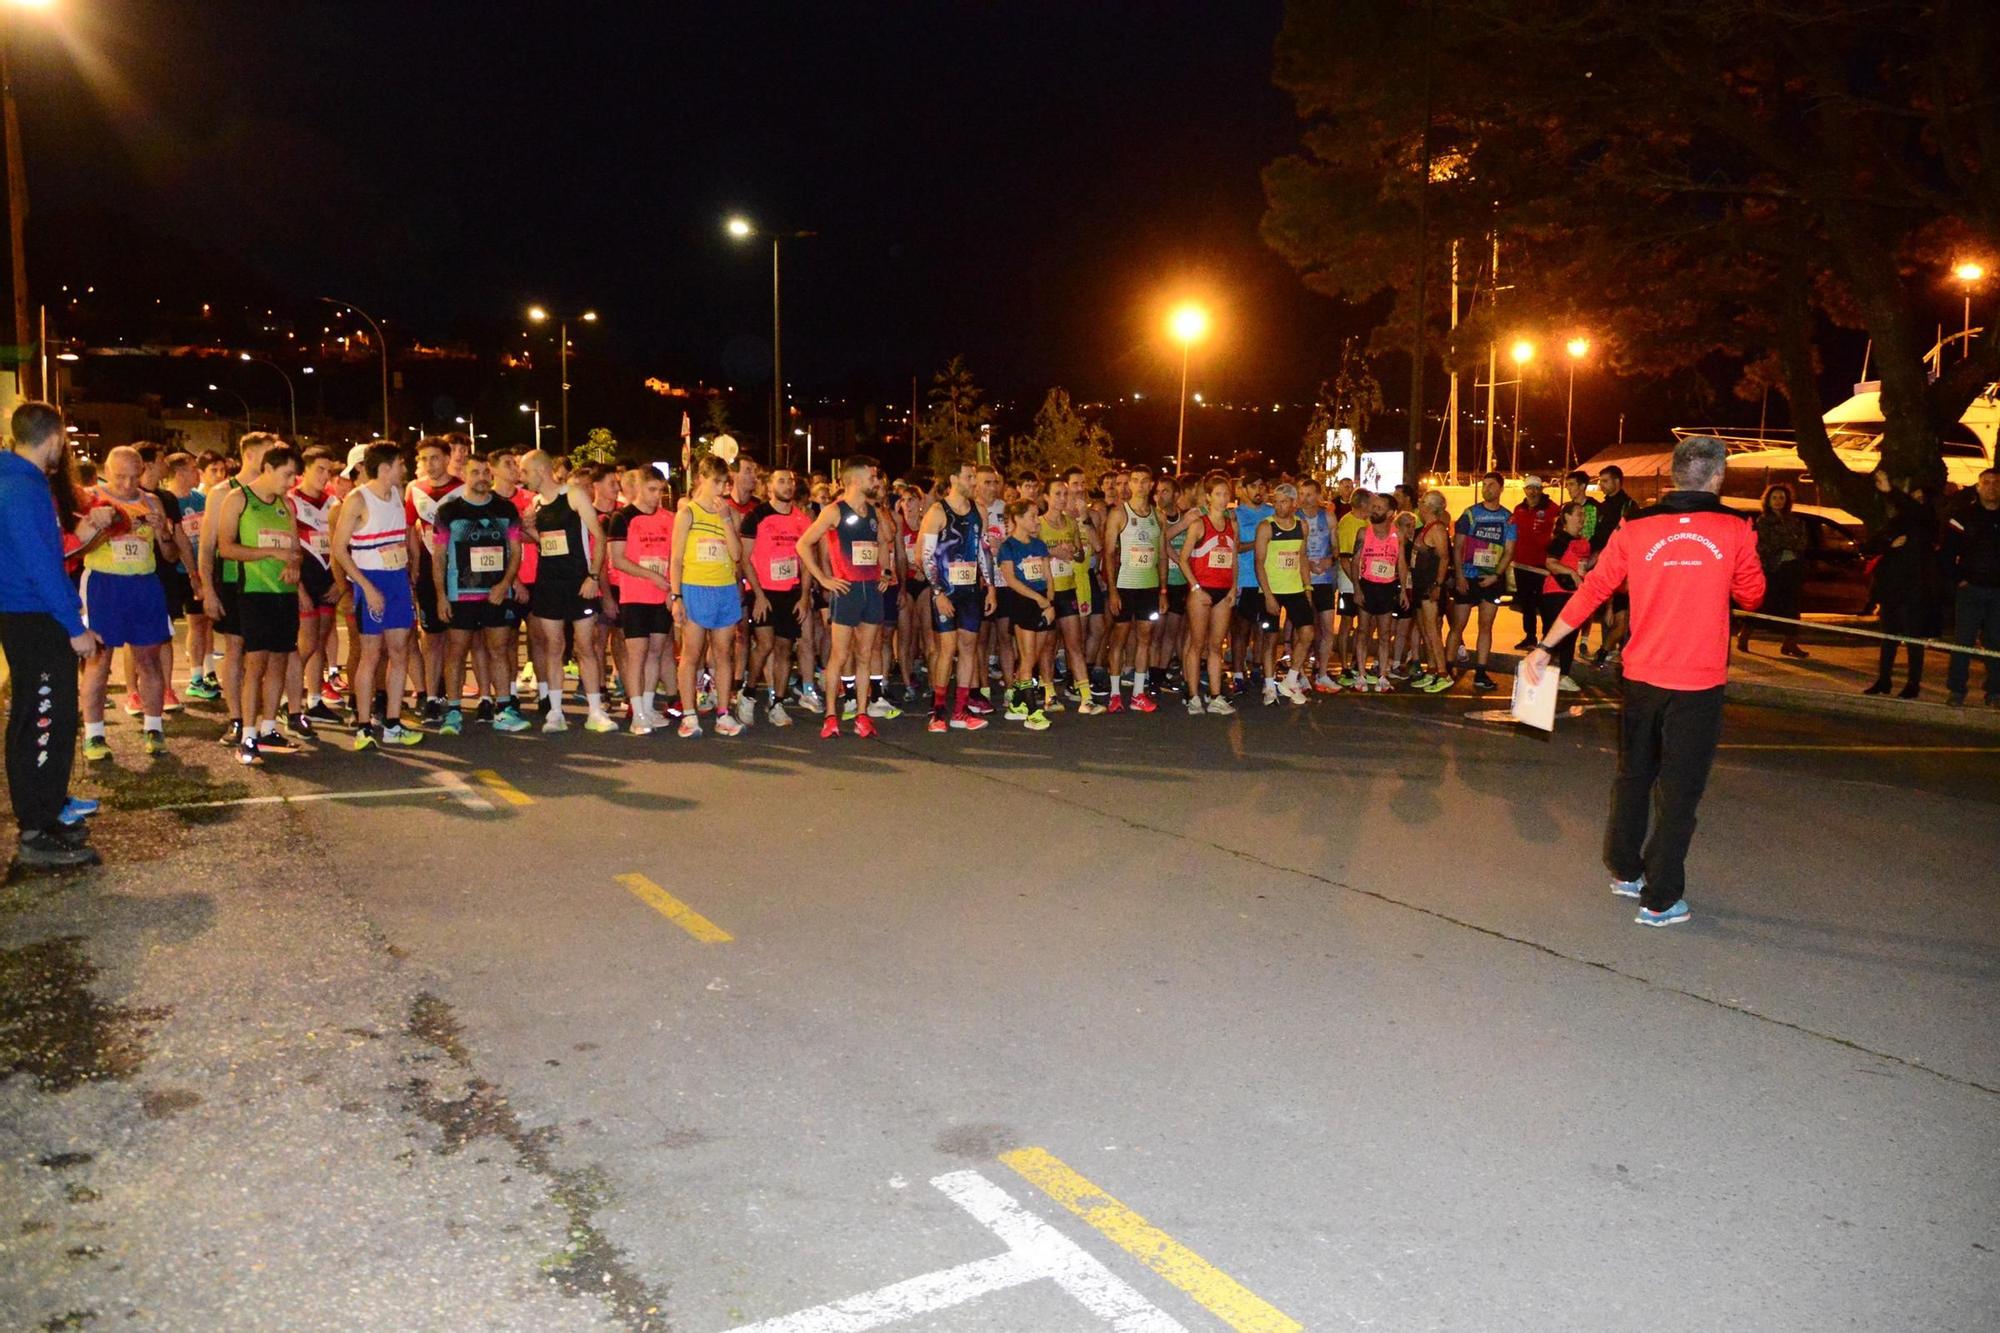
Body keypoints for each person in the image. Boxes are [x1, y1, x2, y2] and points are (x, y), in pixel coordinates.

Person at [1521, 435, 1765, 928]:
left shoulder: (1635, 526)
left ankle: (1626, 869)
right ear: (1717, 477)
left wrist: (1547, 646)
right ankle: (1660, 898)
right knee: (1680, 791)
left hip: (1642, 676)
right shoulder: (1736, 528)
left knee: (1635, 775)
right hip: (1696, 682)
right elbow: (1753, 595)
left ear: (1675, 475)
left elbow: (1593, 589)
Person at [0, 402, 103, 867]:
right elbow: (41, 563)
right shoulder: (21, 485)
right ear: (55, 438)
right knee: (41, 719)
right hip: (34, 617)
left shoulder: (18, 479)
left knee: (49, 717)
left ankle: (49, 808)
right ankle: (36, 830)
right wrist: (74, 625)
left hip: (31, 614)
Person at [74, 446, 175, 761]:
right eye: (120, 477)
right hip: (104, 584)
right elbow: (74, 547)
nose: (128, 484)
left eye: (134, 477)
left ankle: (154, 728)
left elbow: (170, 556)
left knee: (149, 660)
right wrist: (99, 525)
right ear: (107, 469)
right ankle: (94, 736)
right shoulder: (90, 497)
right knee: (98, 660)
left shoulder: (153, 501)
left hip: (144, 585)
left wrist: (163, 532)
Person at [213, 444, 304, 766]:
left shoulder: (286, 505)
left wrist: (294, 565)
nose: (291, 481)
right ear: (268, 468)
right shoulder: (238, 499)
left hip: (284, 594)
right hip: (251, 591)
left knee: (280, 660)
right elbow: (225, 547)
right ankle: (247, 734)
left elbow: (294, 548)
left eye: (294, 475)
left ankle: (268, 728)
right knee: (256, 664)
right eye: (287, 474)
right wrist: (268, 554)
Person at [330, 442, 425, 750]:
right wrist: (366, 587)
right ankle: (363, 725)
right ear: (385, 468)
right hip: (371, 583)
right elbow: (339, 550)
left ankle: (393, 722)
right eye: (400, 464)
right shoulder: (357, 499)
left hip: (397, 582)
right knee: (371, 656)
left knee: (399, 652)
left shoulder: (398, 494)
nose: (405, 469)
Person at [432, 456, 530, 735]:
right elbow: (438, 557)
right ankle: (453, 711)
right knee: (456, 651)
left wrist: (506, 584)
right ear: (463, 475)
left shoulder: (506, 508)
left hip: (497, 594)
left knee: (499, 650)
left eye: (486, 472)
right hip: (460, 594)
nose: (482, 477)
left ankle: (504, 709)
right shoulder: (449, 511)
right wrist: (441, 595)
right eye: (475, 472)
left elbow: (515, 551)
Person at [521, 449, 614, 733]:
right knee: (553, 647)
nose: (522, 479)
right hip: (548, 583)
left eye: (525, 472)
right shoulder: (535, 504)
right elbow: (546, 544)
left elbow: (599, 537)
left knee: (586, 646)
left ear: (539, 471)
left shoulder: (573, 495)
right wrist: (531, 531)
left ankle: (596, 712)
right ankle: (555, 712)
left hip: (579, 583)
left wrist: (593, 577)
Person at [670, 454, 748, 738]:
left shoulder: (730, 513)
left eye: (724, 483)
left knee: (724, 653)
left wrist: (726, 520)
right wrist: (676, 596)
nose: (721, 488)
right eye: (716, 482)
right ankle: (689, 715)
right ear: (701, 479)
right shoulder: (687, 513)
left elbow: (737, 554)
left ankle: (724, 713)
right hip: (695, 588)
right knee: (692, 654)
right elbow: (676, 558)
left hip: (725, 589)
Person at [919, 462, 994, 732]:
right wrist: (938, 593)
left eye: (975, 477)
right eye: (969, 477)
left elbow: (983, 551)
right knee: (946, 649)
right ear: (953, 479)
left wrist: (991, 587)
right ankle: (938, 711)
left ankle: (961, 711)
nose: (973, 481)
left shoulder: (978, 511)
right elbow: (925, 557)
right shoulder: (938, 512)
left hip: (971, 591)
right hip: (946, 591)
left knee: (968, 648)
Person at [740, 466, 810, 729]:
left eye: (791, 481)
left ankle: (777, 703)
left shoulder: (802, 520)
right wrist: (757, 593)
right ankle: (747, 694)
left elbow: (806, 562)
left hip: (790, 592)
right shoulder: (756, 516)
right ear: (769, 487)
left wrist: (804, 596)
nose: (788, 485)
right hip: (763, 591)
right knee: (765, 644)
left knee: (784, 647)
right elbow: (744, 558)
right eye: (781, 481)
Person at [1862, 469, 1941, 699]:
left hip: (1915, 588)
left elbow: (1915, 511)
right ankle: (1883, 679)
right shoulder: (1895, 523)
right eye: (1912, 497)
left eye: (1919, 498)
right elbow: (1869, 546)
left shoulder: (1928, 523)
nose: (1913, 502)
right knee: (1889, 636)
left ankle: (1912, 683)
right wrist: (1890, 544)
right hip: (1892, 588)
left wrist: (1891, 491)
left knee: (1914, 638)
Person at [1102, 466, 1164, 712]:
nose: (1138, 485)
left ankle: (1138, 694)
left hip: (1149, 587)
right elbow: (1107, 553)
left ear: (1151, 485)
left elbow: (1162, 554)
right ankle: (1115, 694)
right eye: (1134, 481)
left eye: (1143, 481)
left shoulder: (1157, 516)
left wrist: (1163, 591)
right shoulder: (1119, 514)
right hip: (1125, 586)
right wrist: (1113, 590)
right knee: (1118, 639)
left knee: (1145, 638)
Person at [1450, 471, 1516, 692]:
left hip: (1492, 579)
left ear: (1501, 488)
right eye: (1484, 485)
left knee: (1486, 626)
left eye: (1491, 485)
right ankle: (1446, 668)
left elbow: (1509, 551)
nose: (1487, 488)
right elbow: (1457, 547)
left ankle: (1480, 671)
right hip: (1467, 577)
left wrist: (1496, 575)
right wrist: (1459, 576)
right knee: (1458, 626)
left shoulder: (1508, 517)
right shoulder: (1469, 514)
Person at [1942, 466, 2000, 707]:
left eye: (1996, 482)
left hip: (1998, 591)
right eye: (1986, 482)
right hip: (1971, 589)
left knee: (1996, 642)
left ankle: (1995, 692)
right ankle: (1957, 689)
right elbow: (1946, 554)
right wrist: (1959, 579)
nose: (1992, 487)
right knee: (1963, 641)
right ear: (1978, 487)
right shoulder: (1962, 517)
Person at [1344, 490, 1411, 694]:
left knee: (1384, 633)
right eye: (1373, 507)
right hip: (1367, 585)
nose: (1374, 510)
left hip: (1387, 587)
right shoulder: (1364, 533)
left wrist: (1403, 591)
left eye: (1379, 507)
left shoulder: (1397, 535)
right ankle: (1362, 674)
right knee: (1363, 631)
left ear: (1391, 512)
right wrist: (1356, 588)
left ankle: (1382, 675)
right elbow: (1355, 562)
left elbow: (1401, 563)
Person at [1253, 482, 1314, 704]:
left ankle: (1291, 678)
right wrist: (1268, 595)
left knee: (1307, 633)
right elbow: (1259, 562)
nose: (1279, 506)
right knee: (1270, 639)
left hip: (1295, 588)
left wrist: (1308, 587)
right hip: (1272, 589)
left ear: (1294, 503)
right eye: (1276, 502)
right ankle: (1269, 685)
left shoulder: (1302, 526)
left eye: (1284, 502)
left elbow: (1303, 557)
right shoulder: (1266, 527)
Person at [995, 499, 1054, 730]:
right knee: (1027, 656)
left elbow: (1048, 576)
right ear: (1017, 518)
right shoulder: (1008, 547)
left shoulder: (1039, 545)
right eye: (1031, 515)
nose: (1036, 520)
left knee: (1034, 657)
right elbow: (1010, 579)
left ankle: (1018, 703)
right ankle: (1032, 711)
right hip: (1022, 602)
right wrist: (1038, 599)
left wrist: (1049, 601)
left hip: (1042, 601)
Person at [1738, 483, 1809, 659]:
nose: (1778, 501)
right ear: (1768, 500)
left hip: (1791, 567)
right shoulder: (1763, 521)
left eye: (1782, 498)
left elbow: (1802, 542)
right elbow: (1765, 545)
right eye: (1775, 498)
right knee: (1763, 604)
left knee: (1792, 606)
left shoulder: (1794, 521)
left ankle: (1790, 642)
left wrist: (1787, 543)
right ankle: (1745, 634)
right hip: (1772, 568)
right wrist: (1786, 543)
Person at [1540, 501, 1594, 692]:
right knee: (1553, 634)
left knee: (1571, 635)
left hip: (1576, 594)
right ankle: (1543, 671)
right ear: (1567, 517)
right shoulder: (1560, 539)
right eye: (1578, 514)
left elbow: (1585, 564)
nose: (1582, 518)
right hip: (1557, 592)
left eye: (1583, 514)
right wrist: (1571, 573)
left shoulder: (1583, 541)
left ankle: (1564, 673)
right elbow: (1551, 563)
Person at [1407, 490, 1454, 692]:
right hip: (1420, 584)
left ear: (1428, 506)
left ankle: (1443, 673)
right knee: (1425, 629)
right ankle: (1433, 669)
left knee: (1432, 629)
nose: (1419, 504)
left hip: (1429, 586)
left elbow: (1444, 558)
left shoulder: (1437, 529)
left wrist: (1437, 585)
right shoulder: (1426, 528)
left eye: (1422, 502)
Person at [1588, 465, 1633, 665]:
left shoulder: (1629, 506)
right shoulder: (1602, 506)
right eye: (1600, 481)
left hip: (1620, 568)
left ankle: (1611, 651)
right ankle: (1608, 648)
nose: (1601, 485)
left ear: (1617, 481)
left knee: (1619, 617)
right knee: (1605, 615)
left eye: (1605, 481)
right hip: (1600, 567)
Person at [1509, 476, 1559, 648]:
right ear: (1525, 490)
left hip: (1542, 566)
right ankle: (1530, 636)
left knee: (1545, 604)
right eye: (1529, 488)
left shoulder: (1552, 509)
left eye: (1536, 488)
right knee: (1526, 603)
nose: (1533, 491)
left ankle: (1547, 638)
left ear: (1541, 489)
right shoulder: (1519, 509)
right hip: (1522, 564)